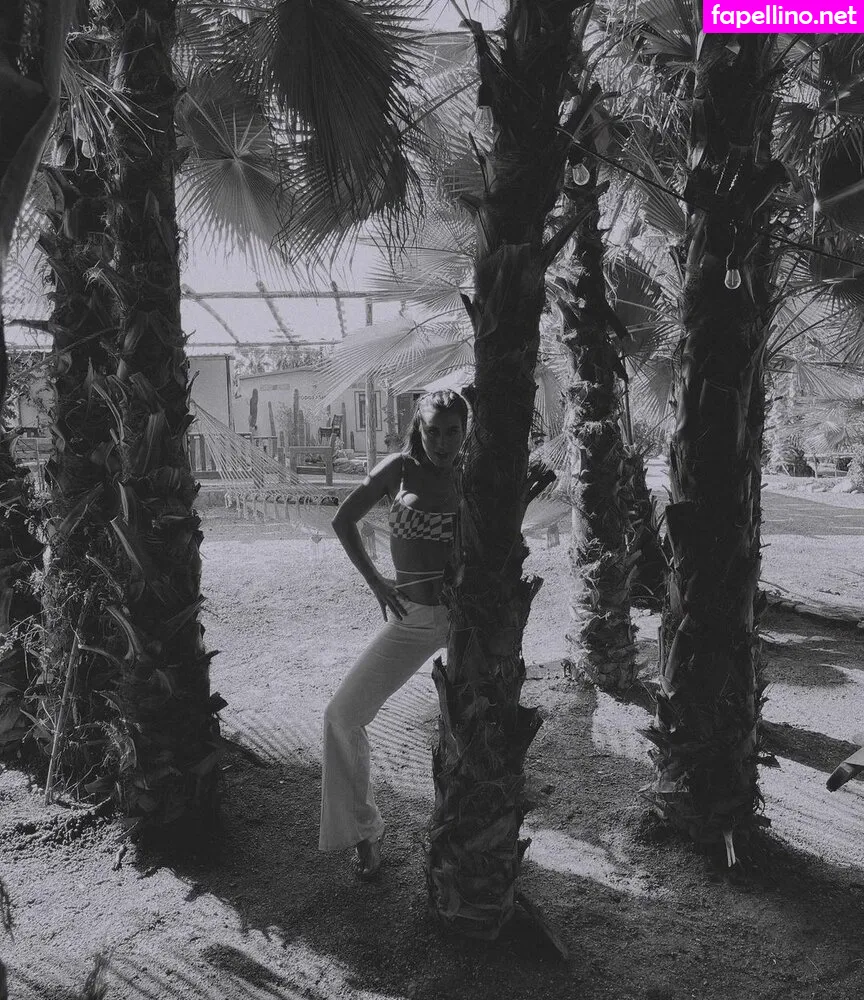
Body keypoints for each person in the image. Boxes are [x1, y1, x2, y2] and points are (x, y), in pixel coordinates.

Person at [319, 389, 469, 879]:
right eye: (433, 431)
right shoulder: (398, 470)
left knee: (477, 728)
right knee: (342, 715)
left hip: (467, 621)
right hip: (409, 620)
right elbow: (343, 519)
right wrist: (376, 582)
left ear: (465, 432)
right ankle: (364, 831)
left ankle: (475, 840)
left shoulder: (473, 476)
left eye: (452, 432)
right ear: (418, 429)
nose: (442, 443)